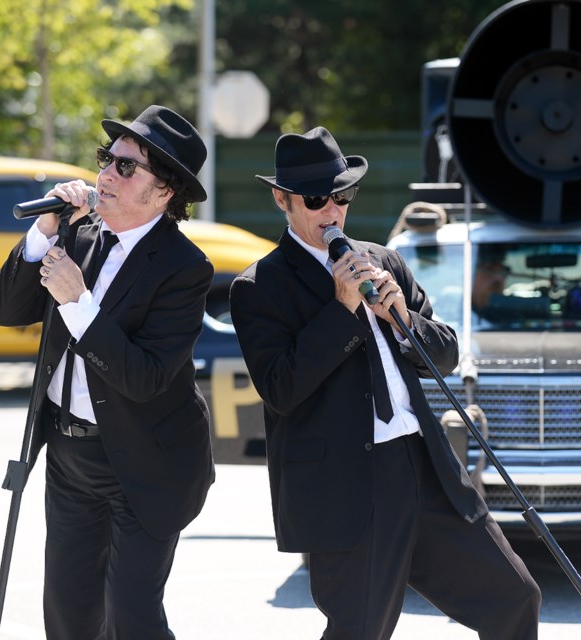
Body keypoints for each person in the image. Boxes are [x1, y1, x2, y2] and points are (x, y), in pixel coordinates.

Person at [229, 126, 541, 640]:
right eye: (315, 199)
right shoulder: (260, 287)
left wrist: (403, 318)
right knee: (360, 630)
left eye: (342, 195)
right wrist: (342, 309)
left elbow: (445, 352)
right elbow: (281, 389)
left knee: (515, 597)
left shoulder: (383, 259)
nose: (332, 210)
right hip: (347, 485)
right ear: (281, 199)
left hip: (422, 465)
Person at [0, 105, 216, 640]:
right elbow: (5, 311)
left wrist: (78, 304)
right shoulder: (78, 235)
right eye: (106, 159)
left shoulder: (184, 268)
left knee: (131, 617)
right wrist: (45, 232)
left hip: (144, 464)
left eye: (127, 167)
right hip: (69, 457)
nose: (107, 174)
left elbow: (143, 377)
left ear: (164, 193)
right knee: (68, 615)